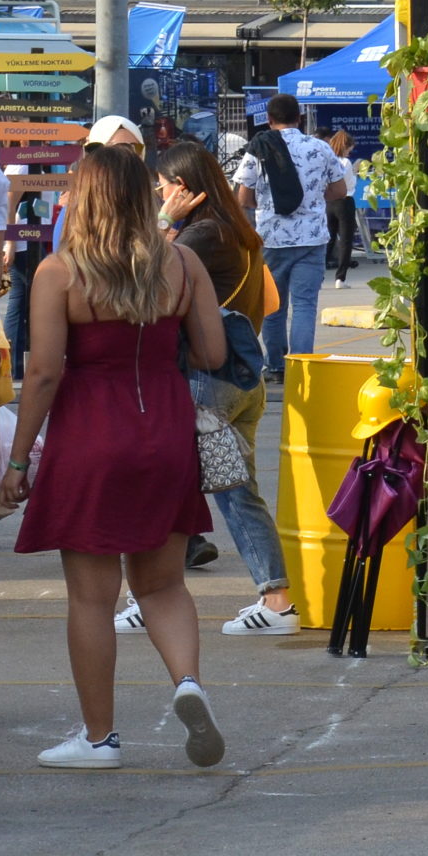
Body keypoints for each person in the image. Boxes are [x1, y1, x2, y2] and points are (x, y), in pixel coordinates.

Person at [1, 145, 231, 770]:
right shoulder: (182, 264)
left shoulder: (60, 272)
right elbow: (211, 352)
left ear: (87, 197)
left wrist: (18, 463)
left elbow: (44, 373)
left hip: (90, 435)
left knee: (91, 598)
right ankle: (187, 681)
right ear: (141, 196)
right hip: (165, 427)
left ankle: (99, 737)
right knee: (162, 584)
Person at [149, 142, 294, 637]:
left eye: (163, 186)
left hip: (210, 382)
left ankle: (275, 600)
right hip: (236, 377)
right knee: (195, 485)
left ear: (183, 189)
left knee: (227, 490)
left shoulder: (202, 235)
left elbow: (144, 277)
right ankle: (149, 594)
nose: (158, 193)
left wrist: (162, 221)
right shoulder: (233, 229)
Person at [233, 92, 352, 371]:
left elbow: (243, 197)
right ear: (299, 118)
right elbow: (339, 191)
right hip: (312, 239)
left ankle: (275, 366)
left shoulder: (258, 148)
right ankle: (300, 366)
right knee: (305, 305)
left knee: (274, 305)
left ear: (270, 119)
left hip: (272, 239)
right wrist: (312, 199)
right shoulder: (320, 148)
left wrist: (264, 204)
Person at [324, 128, 360, 285]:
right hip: (345, 201)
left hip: (328, 202)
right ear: (345, 146)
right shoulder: (345, 162)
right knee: (346, 240)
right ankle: (340, 277)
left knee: (329, 238)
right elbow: (350, 184)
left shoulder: (327, 160)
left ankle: (321, 272)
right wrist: (355, 171)